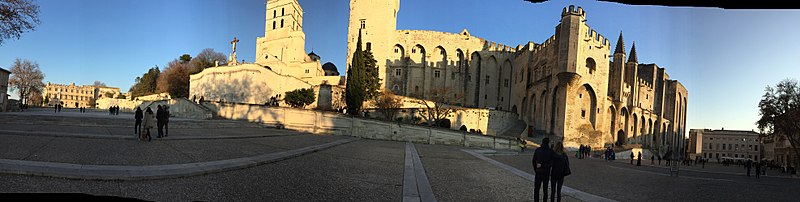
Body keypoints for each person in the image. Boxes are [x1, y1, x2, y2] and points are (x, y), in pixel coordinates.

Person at [532, 137, 555, 202]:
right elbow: (551, 163)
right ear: (548, 143)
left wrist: (535, 169)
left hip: (538, 172)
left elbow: (533, 161)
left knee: (536, 189)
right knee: (545, 189)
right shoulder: (550, 151)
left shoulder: (537, 150)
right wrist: (545, 166)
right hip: (546, 172)